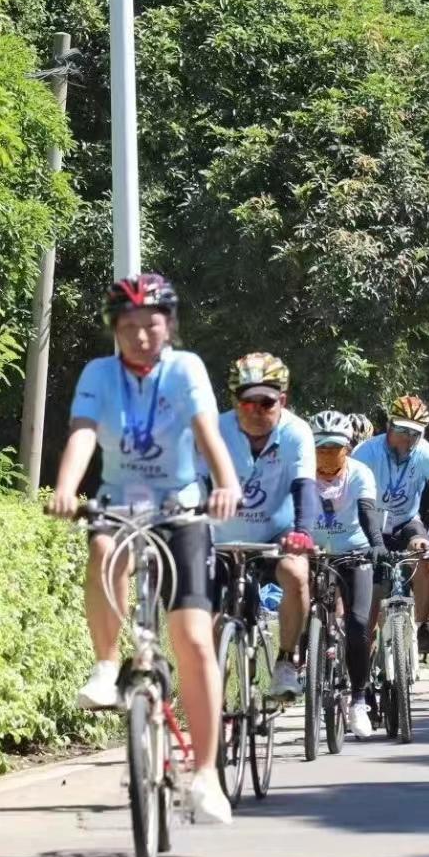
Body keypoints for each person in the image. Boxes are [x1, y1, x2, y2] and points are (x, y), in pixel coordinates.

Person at [45, 274, 243, 825]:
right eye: (128, 326)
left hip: (181, 509)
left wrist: (226, 483)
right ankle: (107, 666)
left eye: (151, 325)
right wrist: (66, 488)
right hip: (121, 502)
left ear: (169, 326)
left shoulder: (186, 369)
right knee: (103, 548)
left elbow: (206, 432)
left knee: (194, 640)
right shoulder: (98, 374)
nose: (140, 336)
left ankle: (206, 774)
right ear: (114, 330)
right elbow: (84, 433)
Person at [205, 352, 316, 700]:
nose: (256, 411)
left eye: (266, 403)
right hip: (221, 537)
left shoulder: (297, 432)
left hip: (277, 535)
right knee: (205, 617)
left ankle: (286, 661)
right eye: (246, 403)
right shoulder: (214, 429)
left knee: (296, 573)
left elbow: (305, 488)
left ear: (282, 400)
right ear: (233, 401)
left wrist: (303, 533)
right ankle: (216, 694)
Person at [352, 395, 429, 656]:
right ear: (389, 425)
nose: (408, 438)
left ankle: (421, 626)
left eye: (415, 433)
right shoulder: (366, 451)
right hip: (371, 525)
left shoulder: (427, 452)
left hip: (406, 522)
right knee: (368, 620)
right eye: (402, 430)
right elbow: (349, 493)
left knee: (426, 554)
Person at [307, 411, 386, 737]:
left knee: (357, 625)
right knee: (298, 605)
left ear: (347, 448)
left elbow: (367, 513)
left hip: (354, 551)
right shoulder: (301, 472)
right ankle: (303, 661)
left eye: (334, 447)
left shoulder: (360, 474)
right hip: (313, 551)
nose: (327, 453)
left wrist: (376, 543)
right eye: (320, 447)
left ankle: (358, 700)